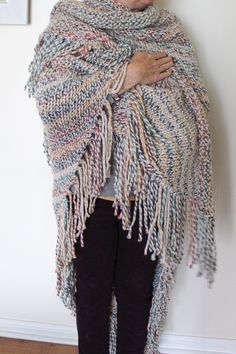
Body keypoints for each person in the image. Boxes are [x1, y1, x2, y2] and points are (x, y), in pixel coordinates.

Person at [25, 0, 217, 353]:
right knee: (92, 295)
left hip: (149, 197)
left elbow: (192, 102)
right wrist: (127, 75)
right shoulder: (72, 20)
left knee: (139, 291)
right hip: (90, 197)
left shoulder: (167, 30)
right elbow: (52, 98)